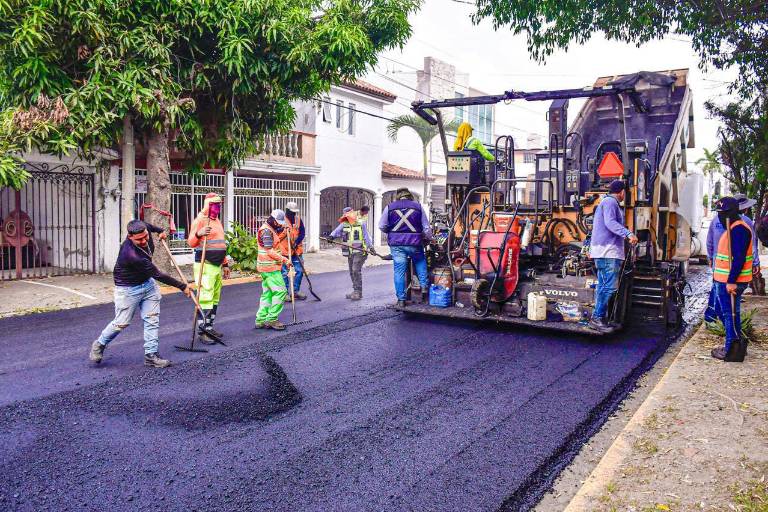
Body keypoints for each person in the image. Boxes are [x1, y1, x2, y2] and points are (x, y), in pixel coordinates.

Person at [89, 220, 191, 368]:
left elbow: (150, 227)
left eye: (145, 237)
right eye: (139, 240)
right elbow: (158, 275)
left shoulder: (143, 229)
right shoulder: (130, 254)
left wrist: (160, 231)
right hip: (128, 289)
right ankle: (99, 344)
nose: (144, 241)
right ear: (129, 237)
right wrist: (182, 286)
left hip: (147, 284)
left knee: (152, 318)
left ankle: (151, 355)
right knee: (121, 323)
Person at [588, 180, 639, 332]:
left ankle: (600, 318)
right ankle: (597, 318)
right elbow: (610, 223)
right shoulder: (610, 202)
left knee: (604, 286)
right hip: (607, 252)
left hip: (605, 251)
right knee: (609, 287)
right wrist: (628, 233)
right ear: (621, 192)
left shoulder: (606, 202)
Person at [705, 193, 761, 322]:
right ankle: (732, 334)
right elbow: (751, 247)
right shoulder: (745, 222)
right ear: (745, 209)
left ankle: (711, 318)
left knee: (717, 292)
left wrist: (711, 257)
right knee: (730, 308)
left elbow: (709, 241)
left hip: (719, 266)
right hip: (735, 270)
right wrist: (755, 262)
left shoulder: (715, 220)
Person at [710, 197, 753, 362]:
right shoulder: (735, 227)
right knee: (733, 314)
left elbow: (739, 258)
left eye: (724, 213)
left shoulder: (739, 230)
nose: (721, 216)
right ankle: (736, 345)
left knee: (729, 314)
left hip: (730, 281)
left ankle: (729, 351)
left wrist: (731, 281)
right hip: (727, 279)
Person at [188, 193, 231, 344]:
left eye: (219, 205)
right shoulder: (200, 220)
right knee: (205, 298)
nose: (217, 208)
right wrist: (199, 234)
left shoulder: (216, 221)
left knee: (214, 298)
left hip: (217, 265)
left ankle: (210, 327)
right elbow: (191, 242)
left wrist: (225, 264)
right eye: (214, 205)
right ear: (207, 205)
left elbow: (221, 244)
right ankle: (202, 332)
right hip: (204, 264)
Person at [379, 188, 432, 307]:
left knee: (399, 272)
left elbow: (382, 226)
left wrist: (392, 231)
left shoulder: (389, 207)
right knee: (420, 262)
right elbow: (426, 228)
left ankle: (401, 300)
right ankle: (424, 289)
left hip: (397, 245)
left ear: (398, 197)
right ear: (410, 196)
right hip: (415, 243)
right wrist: (428, 238)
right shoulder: (418, 207)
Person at [328, 207, 375, 300]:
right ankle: (355, 290)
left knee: (355, 270)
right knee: (351, 272)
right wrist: (331, 236)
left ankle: (358, 292)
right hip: (350, 251)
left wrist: (371, 247)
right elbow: (336, 231)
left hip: (360, 251)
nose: (347, 218)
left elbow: (366, 236)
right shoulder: (344, 224)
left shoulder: (361, 223)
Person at [255, 209, 292, 330]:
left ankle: (260, 319)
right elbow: (270, 251)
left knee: (268, 294)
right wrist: (285, 260)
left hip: (265, 267)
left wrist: (283, 230)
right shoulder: (266, 231)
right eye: (278, 222)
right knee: (281, 291)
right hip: (270, 267)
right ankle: (271, 319)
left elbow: (274, 240)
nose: (279, 224)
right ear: (272, 219)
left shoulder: (268, 229)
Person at [280, 201, 306, 300]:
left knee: (299, 271)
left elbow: (302, 233)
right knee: (284, 273)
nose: (294, 214)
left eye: (295, 212)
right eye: (292, 212)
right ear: (287, 210)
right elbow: (277, 236)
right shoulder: (281, 220)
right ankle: (285, 293)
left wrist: (296, 242)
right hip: (285, 251)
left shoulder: (298, 220)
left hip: (297, 251)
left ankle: (296, 291)